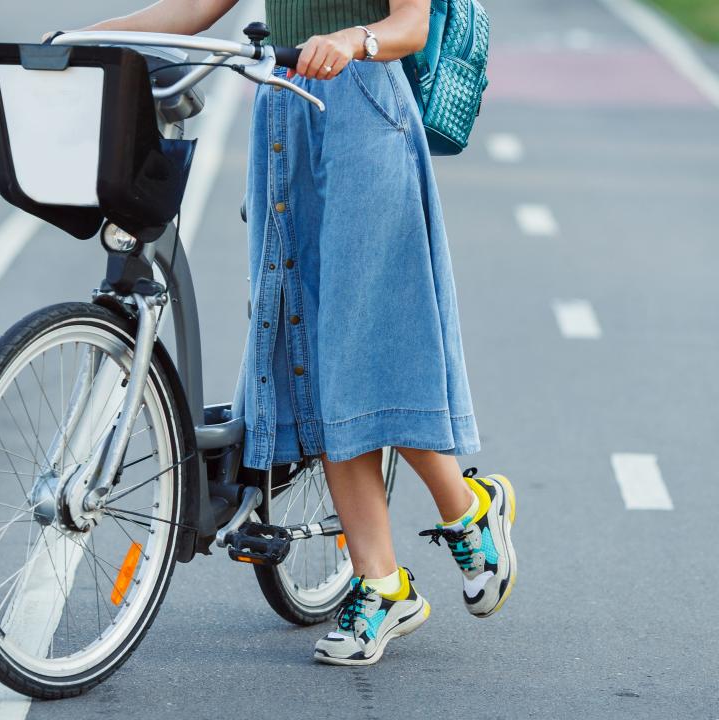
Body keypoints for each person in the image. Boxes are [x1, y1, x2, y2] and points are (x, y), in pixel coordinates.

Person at [58, 0, 517, 666]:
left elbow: (409, 27)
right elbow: (194, 7)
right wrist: (87, 40)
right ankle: (384, 583)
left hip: (365, 115)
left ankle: (466, 509)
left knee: (365, 349)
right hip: (284, 110)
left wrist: (354, 42)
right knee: (308, 349)